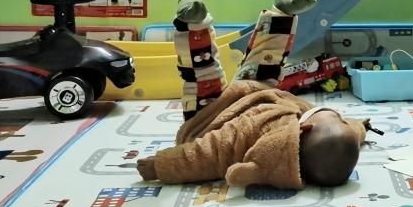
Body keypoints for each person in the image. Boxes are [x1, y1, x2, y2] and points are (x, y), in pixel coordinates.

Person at [137, 80, 368, 188]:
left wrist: (162, 165)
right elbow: (350, 133)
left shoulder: (260, 127)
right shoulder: (317, 132)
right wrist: (361, 126)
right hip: (263, 92)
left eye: (337, 118)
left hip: (212, 116)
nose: (339, 116)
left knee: (209, 80)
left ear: (305, 128)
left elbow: (211, 152)